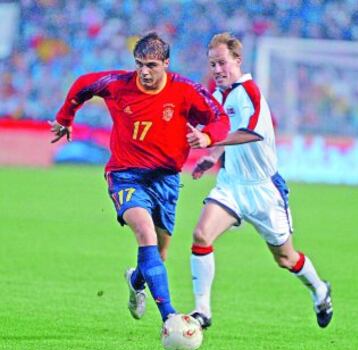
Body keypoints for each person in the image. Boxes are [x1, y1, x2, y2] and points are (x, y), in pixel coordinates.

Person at [50, 32, 229, 323]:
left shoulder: (186, 90)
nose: (144, 72)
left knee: (158, 254)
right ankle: (169, 317)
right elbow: (83, 85)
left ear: (166, 63)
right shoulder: (117, 84)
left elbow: (220, 119)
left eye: (152, 65)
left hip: (167, 179)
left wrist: (207, 137)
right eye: (139, 64)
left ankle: (136, 282)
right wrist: (64, 118)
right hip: (125, 175)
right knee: (144, 232)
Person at [189, 32, 333, 329]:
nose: (217, 70)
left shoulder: (249, 92)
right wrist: (213, 155)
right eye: (212, 64)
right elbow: (223, 132)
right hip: (231, 185)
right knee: (202, 236)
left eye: (222, 63)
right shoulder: (217, 97)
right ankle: (202, 312)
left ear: (237, 61)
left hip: (264, 189)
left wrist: (208, 140)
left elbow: (251, 132)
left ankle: (320, 290)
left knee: (285, 257)